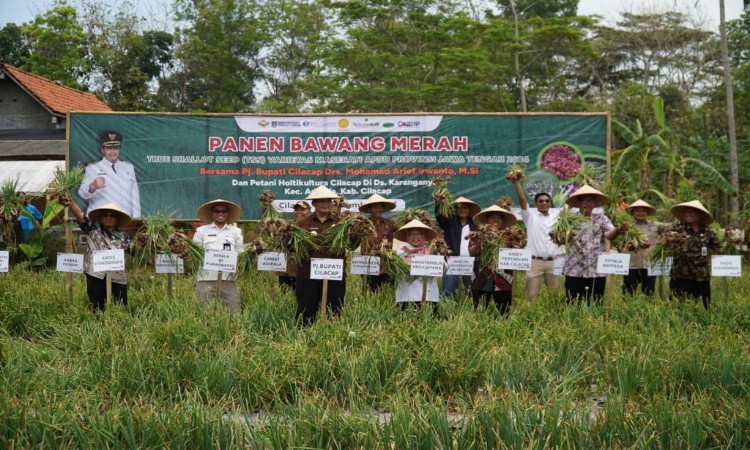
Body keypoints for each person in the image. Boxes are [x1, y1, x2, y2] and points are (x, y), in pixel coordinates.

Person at [63, 198, 131, 312]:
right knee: (96, 305)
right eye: (105, 215)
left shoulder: (123, 236)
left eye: (112, 215)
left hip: (117, 276)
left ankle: (117, 325)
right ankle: (97, 324)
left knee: (119, 305)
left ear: (117, 219)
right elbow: (80, 216)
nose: (108, 218)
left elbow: (133, 250)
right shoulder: (93, 228)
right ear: (101, 218)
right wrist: (71, 203)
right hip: (96, 275)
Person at [562, 185, 621, 305]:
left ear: (594, 203)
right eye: (585, 200)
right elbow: (559, 238)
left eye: (591, 200)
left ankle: (595, 323)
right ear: (579, 202)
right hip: (574, 268)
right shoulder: (569, 219)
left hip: (596, 269)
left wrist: (620, 228)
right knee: (573, 303)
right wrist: (567, 235)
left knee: (596, 302)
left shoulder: (602, 219)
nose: (588, 203)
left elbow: (610, 235)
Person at [295, 186, 345, 325]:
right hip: (307, 274)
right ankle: (303, 341)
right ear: (314, 203)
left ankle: (331, 342)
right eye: (321, 200)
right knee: (306, 312)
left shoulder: (342, 223)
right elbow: (294, 247)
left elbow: (351, 246)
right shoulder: (302, 224)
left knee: (334, 312)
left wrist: (358, 234)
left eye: (328, 200)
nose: (325, 203)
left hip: (334, 274)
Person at [511, 178, 560, 304]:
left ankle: (556, 321)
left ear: (550, 203)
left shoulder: (557, 218)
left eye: (547, 201)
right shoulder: (530, 216)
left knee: (555, 297)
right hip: (534, 262)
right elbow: (522, 200)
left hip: (553, 262)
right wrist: (516, 183)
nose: (544, 203)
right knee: (531, 297)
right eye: (541, 201)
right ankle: (530, 320)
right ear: (536, 203)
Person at [668, 200, 721, 309]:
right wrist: (668, 240)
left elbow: (718, 249)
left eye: (691, 212)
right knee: (677, 307)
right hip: (680, 274)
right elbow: (667, 247)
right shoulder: (676, 229)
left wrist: (733, 242)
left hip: (701, 275)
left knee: (703, 306)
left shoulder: (708, 231)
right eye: (686, 212)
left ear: (699, 215)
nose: (687, 215)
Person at [193, 199, 244, 313]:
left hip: (228, 278)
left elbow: (240, 253)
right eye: (217, 211)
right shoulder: (201, 231)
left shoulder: (236, 232)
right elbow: (195, 253)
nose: (220, 214)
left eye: (224, 211)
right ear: (212, 213)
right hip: (206, 278)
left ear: (228, 213)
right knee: (204, 312)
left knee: (234, 312)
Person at [78, 130, 141, 219]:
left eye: (116, 148)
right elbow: (82, 194)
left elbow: (135, 196)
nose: (113, 152)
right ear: (102, 150)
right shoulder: (92, 168)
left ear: (119, 149)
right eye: (109, 148)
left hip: (123, 218)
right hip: (100, 219)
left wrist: (136, 219)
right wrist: (93, 186)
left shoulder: (128, 167)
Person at [468, 205, 517, 315]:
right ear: (486, 220)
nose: (495, 220)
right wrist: (480, 240)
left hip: (503, 278)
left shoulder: (509, 236)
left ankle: (504, 327)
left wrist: (510, 244)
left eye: (498, 217)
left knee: (504, 311)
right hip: (481, 277)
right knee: (478, 309)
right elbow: (472, 252)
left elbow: (518, 253)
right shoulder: (478, 235)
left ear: (502, 221)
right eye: (492, 217)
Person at [435, 196, 480, 297]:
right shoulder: (449, 223)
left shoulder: (475, 225)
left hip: (470, 262)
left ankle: (466, 309)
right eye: (459, 207)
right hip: (452, 261)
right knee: (449, 288)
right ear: (455, 209)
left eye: (465, 207)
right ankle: (446, 308)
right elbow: (440, 217)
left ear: (469, 210)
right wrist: (439, 203)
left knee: (469, 289)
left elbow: (479, 242)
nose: (462, 210)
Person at [393, 219, 440, 310]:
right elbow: (395, 271)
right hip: (407, 296)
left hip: (429, 296)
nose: (415, 237)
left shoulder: (432, 251)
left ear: (424, 236)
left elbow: (443, 268)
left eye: (418, 234)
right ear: (407, 237)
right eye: (411, 234)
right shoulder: (400, 253)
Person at [621, 199, 664, 296]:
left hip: (649, 264)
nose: (640, 213)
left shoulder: (656, 225)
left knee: (649, 293)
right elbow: (614, 236)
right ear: (632, 212)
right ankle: (627, 310)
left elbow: (671, 228)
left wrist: (665, 238)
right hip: (631, 264)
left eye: (643, 210)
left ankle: (647, 309)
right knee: (628, 293)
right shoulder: (626, 226)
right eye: (637, 210)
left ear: (647, 212)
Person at [359, 193, 397, 292]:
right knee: (370, 292)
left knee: (388, 291)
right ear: (369, 209)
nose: (378, 210)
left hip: (387, 262)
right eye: (375, 207)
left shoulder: (390, 223)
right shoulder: (363, 225)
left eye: (380, 207)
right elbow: (352, 237)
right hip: (369, 262)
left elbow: (405, 230)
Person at [279, 201, 312, 290]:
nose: (299, 212)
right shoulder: (287, 226)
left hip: (306, 269)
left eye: (302, 210)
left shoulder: (312, 226)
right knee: (286, 294)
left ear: (309, 211)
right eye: (296, 210)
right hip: (287, 269)